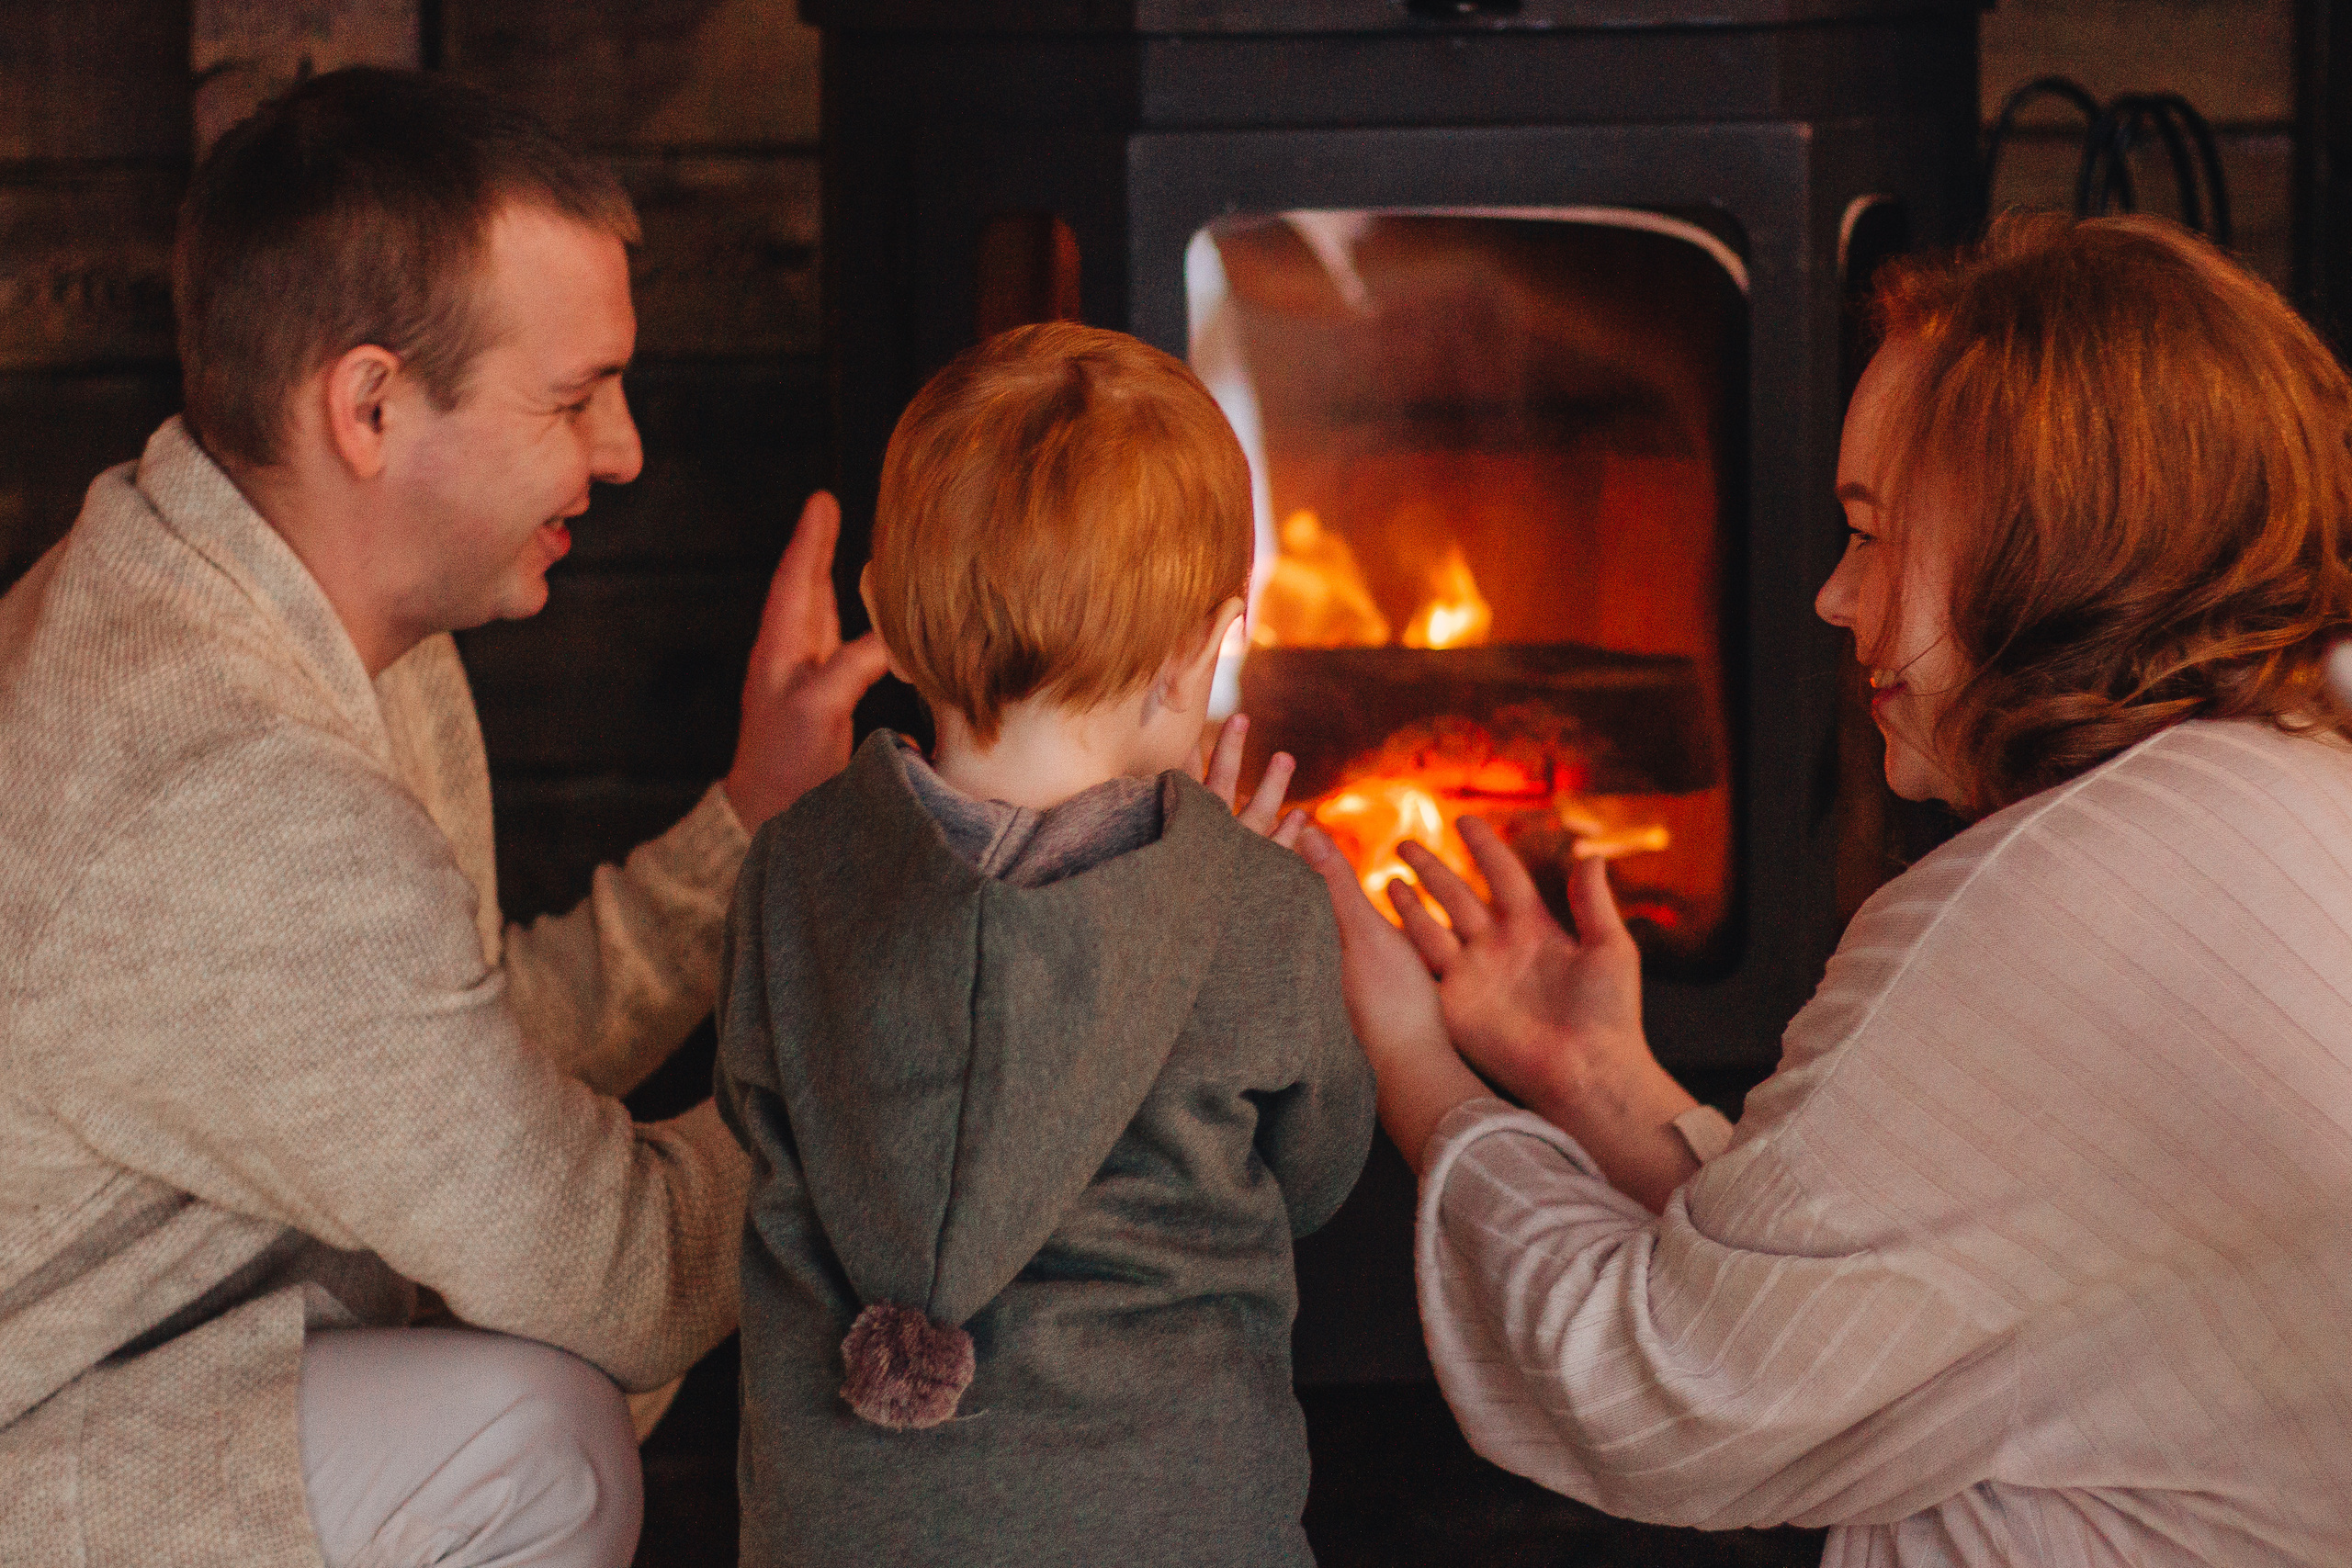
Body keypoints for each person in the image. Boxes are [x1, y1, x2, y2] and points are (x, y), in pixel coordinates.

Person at [1294, 212, 2352, 1566]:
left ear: (2047, 539)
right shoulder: (2272, 794)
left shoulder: (2043, 896)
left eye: (1874, 533)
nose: (1833, 598)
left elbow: (1656, 1390)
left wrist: (1407, 1056)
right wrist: (1596, 1080)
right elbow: (1914, 1304)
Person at [0, 69, 888, 1568]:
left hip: (104, 1377)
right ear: (370, 404)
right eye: (571, 396)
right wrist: (911, 1054)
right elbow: (623, 1279)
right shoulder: (236, 795)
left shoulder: (244, 587)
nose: (624, 451)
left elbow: (444, 1075)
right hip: (35, 1434)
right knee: (529, 1444)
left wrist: (749, 823)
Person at [716, 322, 1378, 1568]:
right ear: (1201, 649)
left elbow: (752, 1114)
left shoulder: (789, 872)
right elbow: (1318, 1170)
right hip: (1168, 1529)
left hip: (845, 1532)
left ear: (884, 621)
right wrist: (1224, 884)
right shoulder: (1257, 908)